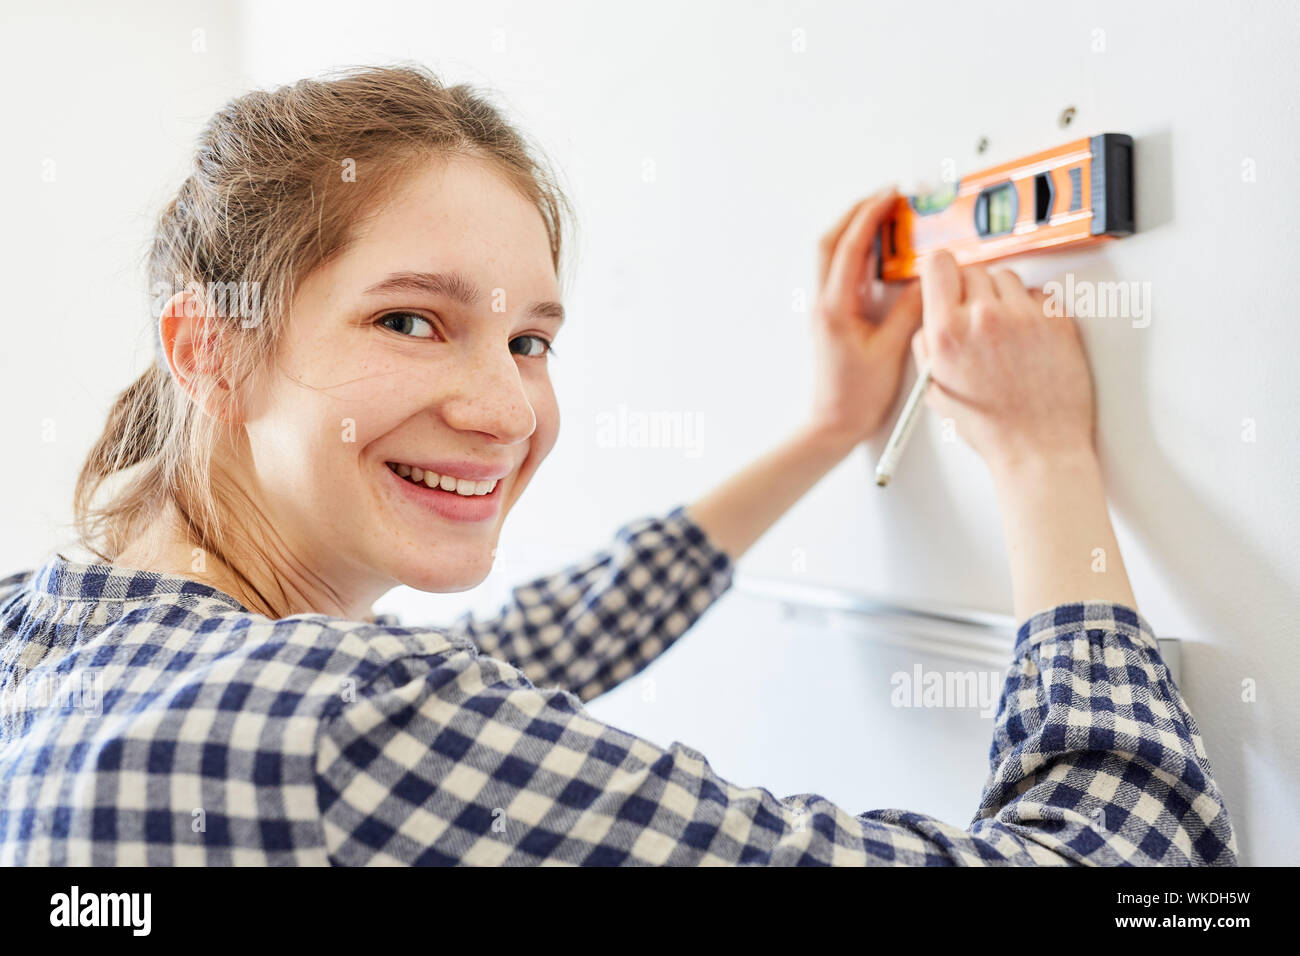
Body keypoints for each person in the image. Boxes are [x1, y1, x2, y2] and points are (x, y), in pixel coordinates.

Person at [0, 65, 1235, 866]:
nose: (503, 407)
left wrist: (820, 432)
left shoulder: (47, 638)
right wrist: (1040, 461)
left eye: (529, 339)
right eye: (410, 319)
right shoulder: (334, 726)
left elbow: (523, 648)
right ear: (207, 346)